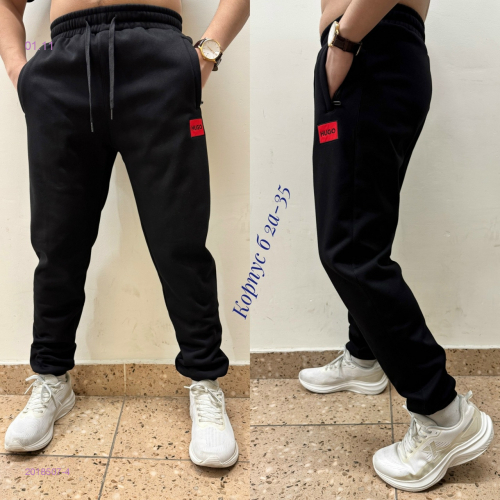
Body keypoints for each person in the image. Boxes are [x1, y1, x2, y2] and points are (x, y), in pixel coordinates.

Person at [0, 0, 249, 468]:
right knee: (57, 244)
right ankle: (51, 378)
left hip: (157, 59)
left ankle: (204, 382)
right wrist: (21, 74)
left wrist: (205, 56)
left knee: (179, 241)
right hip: (61, 70)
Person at [298, 0, 494, 491]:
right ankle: (364, 356)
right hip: (375, 48)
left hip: (368, 46)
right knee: (365, 231)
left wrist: (344, 42)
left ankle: (443, 413)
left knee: (349, 249)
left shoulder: (356, 45)